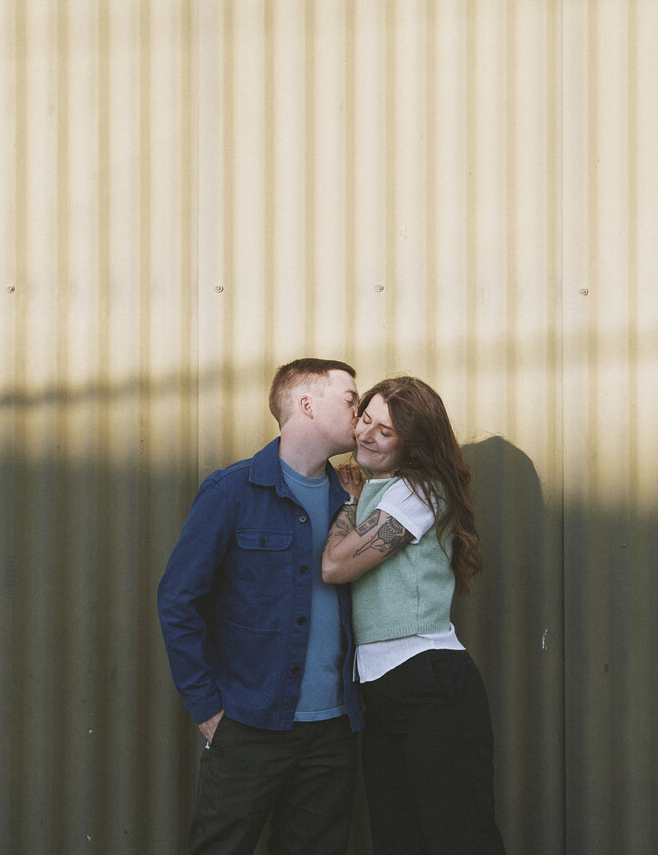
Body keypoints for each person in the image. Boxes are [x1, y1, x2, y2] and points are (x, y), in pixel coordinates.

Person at [158, 358, 363, 855]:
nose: (361, 412)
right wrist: (208, 709)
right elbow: (178, 600)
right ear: (307, 404)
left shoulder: (353, 496)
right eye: (351, 399)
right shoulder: (233, 491)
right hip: (249, 725)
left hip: (334, 731)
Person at [322, 376, 506, 855]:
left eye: (385, 431)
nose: (366, 434)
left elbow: (336, 566)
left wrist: (347, 500)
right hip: (382, 693)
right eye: (366, 418)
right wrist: (358, 495)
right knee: (397, 839)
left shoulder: (419, 491)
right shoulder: (379, 489)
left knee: (460, 839)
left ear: (414, 444)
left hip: (429, 685)